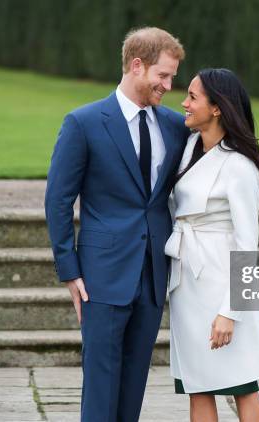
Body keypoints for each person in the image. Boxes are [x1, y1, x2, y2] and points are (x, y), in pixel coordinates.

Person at [44, 27, 188, 422]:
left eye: (173, 77)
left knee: (134, 384)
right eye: (163, 75)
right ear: (137, 66)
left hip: (153, 273)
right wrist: (69, 270)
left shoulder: (175, 126)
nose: (168, 85)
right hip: (101, 277)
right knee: (101, 384)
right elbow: (58, 200)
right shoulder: (84, 122)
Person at [165, 68, 259, 422]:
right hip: (186, 281)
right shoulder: (189, 147)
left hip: (223, 284)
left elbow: (247, 245)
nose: (184, 104)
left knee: (241, 383)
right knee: (197, 384)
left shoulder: (239, 166)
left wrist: (230, 312)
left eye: (192, 97)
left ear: (217, 108)